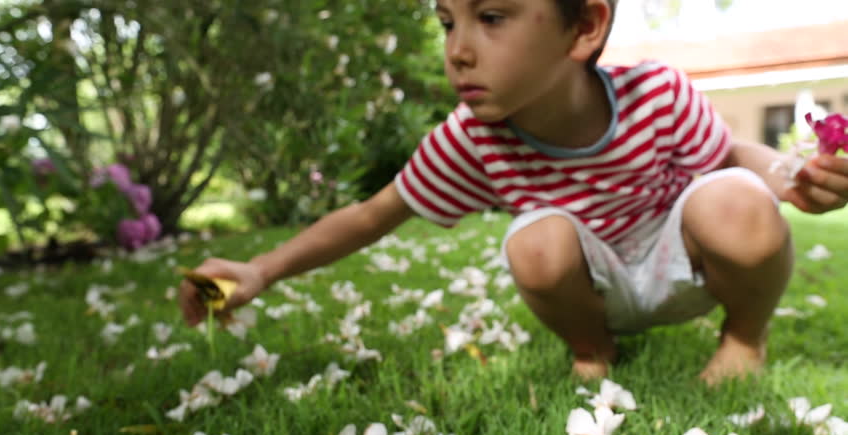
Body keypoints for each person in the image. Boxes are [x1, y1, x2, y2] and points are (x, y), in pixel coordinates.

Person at [180, 0, 848, 384]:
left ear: (584, 27)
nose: (457, 50)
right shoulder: (471, 139)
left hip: (683, 265)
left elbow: (733, 153)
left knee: (737, 197)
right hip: (595, 289)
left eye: (491, 16)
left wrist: (784, 175)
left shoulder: (657, 95)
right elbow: (371, 214)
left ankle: (743, 339)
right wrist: (260, 268)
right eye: (448, 22)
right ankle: (594, 351)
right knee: (534, 243)